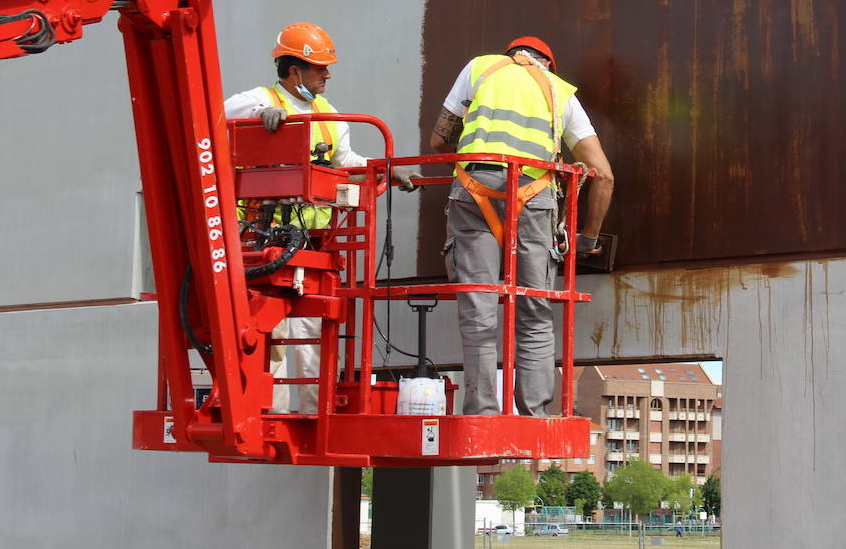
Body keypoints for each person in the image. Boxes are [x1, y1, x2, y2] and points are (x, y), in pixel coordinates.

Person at [224, 22, 418, 412]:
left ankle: (316, 412)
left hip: (314, 242)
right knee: (270, 333)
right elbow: (223, 112)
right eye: (320, 68)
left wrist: (385, 168)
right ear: (295, 71)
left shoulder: (327, 113)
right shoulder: (258, 98)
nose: (328, 74)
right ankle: (270, 413)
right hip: (264, 240)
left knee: (312, 332)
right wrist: (264, 112)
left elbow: (345, 162)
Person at [430, 35, 614, 415]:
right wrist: (589, 238)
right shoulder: (559, 91)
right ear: (548, 63)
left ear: (511, 54)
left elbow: (438, 140)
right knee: (535, 309)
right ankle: (534, 412)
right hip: (533, 197)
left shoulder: (480, 68)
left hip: (474, 190)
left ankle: (481, 409)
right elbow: (604, 175)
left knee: (478, 302)